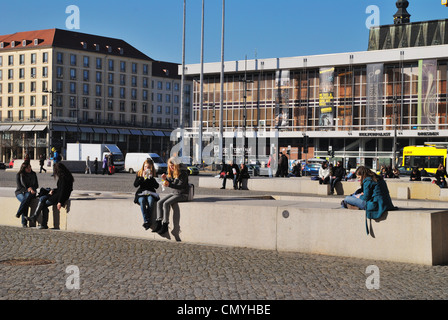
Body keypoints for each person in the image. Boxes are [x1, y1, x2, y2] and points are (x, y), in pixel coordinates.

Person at [342, 166, 397, 233]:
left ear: (363, 175)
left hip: (375, 204)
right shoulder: (378, 178)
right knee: (353, 196)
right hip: (385, 203)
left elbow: (365, 198)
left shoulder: (367, 180)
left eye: (359, 177)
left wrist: (359, 197)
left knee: (346, 199)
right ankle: (353, 206)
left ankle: (344, 224)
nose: (359, 180)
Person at [28, 162, 74, 229]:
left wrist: (60, 202)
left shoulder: (63, 178)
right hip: (60, 194)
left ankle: (42, 223)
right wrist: (53, 190)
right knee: (42, 198)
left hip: (61, 197)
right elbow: (61, 189)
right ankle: (35, 218)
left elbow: (63, 191)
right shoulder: (66, 175)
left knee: (44, 204)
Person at [153, 157, 189, 235]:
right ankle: (159, 223)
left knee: (166, 203)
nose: (171, 167)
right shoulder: (172, 172)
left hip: (183, 194)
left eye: (172, 165)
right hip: (175, 193)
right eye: (169, 166)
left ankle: (165, 225)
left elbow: (180, 186)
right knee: (159, 202)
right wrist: (165, 179)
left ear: (177, 165)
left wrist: (169, 184)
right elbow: (172, 183)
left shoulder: (183, 173)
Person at [134, 159, 160, 230]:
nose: (146, 169)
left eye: (148, 167)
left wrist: (151, 178)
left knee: (151, 201)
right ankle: (146, 221)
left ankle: (147, 220)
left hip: (150, 192)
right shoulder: (139, 173)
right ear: (143, 166)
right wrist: (142, 178)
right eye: (145, 167)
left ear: (151, 167)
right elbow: (135, 185)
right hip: (141, 192)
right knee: (142, 201)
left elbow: (156, 186)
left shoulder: (154, 174)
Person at [15, 162, 39, 227]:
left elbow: (36, 185)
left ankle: (19, 213)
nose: (29, 169)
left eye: (30, 167)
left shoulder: (33, 174)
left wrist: (31, 189)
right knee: (25, 200)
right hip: (20, 192)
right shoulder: (19, 175)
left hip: (31, 192)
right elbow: (20, 187)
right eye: (28, 168)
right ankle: (24, 223)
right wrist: (27, 189)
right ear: (24, 168)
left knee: (27, 198)